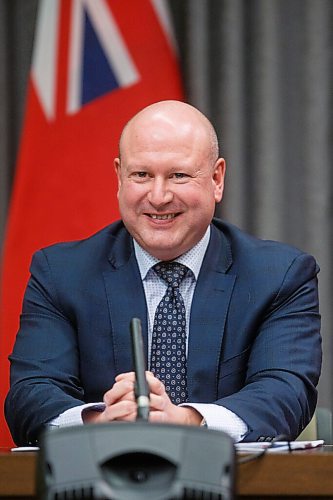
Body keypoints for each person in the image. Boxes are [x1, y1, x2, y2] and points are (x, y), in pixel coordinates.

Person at [5, 100, 321, 446]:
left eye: (179, 175)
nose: (158, 197)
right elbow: (31, 396)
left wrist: (184, 421)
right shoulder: (61, 274)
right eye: (141, 175)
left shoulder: (278, 276)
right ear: (119, 177)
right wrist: (102, 421)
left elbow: (285, 394)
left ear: (216, 179)